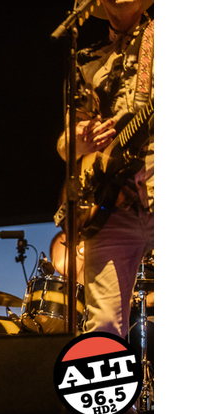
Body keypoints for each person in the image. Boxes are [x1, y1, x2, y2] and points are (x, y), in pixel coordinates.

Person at [56, 0, 153, 339]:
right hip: (109, 207)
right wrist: (81, 140)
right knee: (103, 332)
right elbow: (65, 144)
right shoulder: (85, 59)